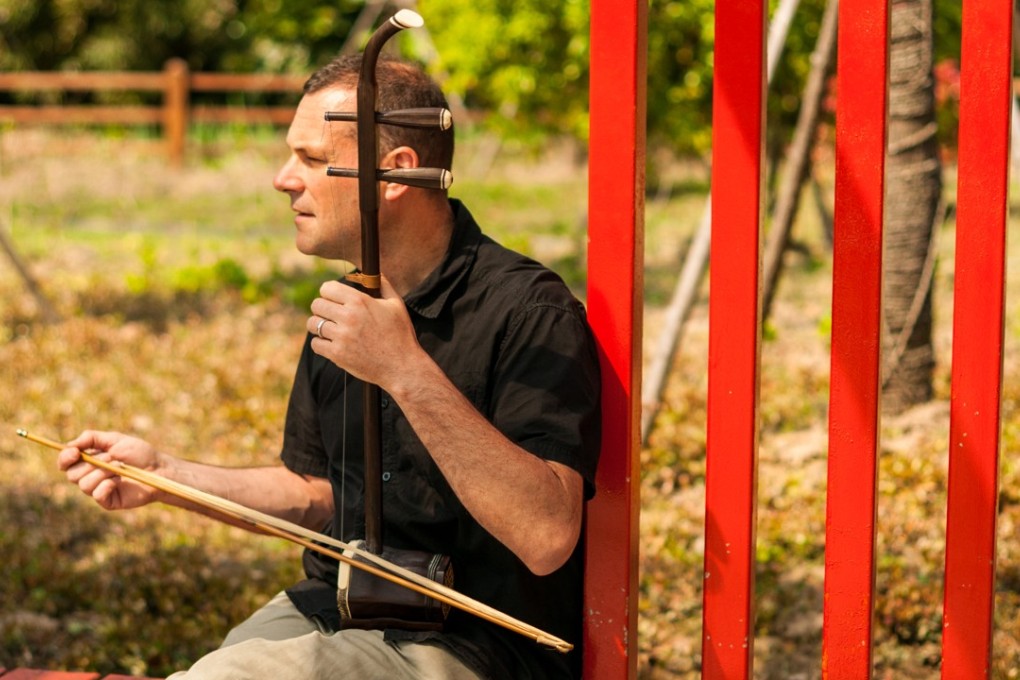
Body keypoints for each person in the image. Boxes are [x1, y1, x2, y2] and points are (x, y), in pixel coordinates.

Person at [58, 54, 601, 680]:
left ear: (394, 175)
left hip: (473, 642)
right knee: (221, 665)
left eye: (312, 159)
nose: (283, 179)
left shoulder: (529, 312)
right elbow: (318, 495)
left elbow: (547, 535)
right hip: (341, 608)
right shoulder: (347, 304)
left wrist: (405, 369)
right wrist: (165, 475)